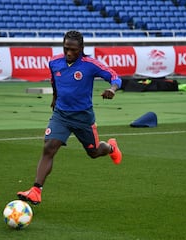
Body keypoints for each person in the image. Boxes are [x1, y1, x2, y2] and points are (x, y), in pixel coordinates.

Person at [17, 30, 122, 205]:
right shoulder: (54, 62)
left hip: (83, 117)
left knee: (94, 152)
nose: (69, 53)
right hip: (61, 114)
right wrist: (54, 99)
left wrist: (112, 89)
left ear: (81, 48)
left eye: (73, 49)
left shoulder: (90, 64)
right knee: (49, 147)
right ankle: (36, 190)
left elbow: (115, 77)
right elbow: (55, 81)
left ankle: (111, 148)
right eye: (66, 48)